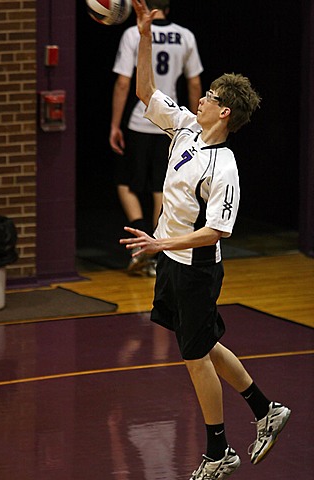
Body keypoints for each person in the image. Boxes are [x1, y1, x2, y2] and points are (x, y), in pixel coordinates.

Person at [120, 1, 291, 478]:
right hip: (171, 259)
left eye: (209, 95)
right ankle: (266, 410)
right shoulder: (187, 128)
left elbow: (218, 230)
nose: (200, 98)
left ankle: (219, 453)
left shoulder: (225, 167)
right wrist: (144, 32)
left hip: (194, 267)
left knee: (195, 357)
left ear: (225, 110)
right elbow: (146, 90)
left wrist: (159, 245)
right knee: (206, 344)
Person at [110, 0, 203, 276]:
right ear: (169, 7)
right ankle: (153, 250)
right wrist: (195, 126)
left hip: (140, 120)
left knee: (125, 183)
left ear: (145, 6)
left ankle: (140, 244)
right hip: (170, 123)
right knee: (161, 189)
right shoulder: (185, 36)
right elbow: (195, 82)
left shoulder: (133, 33)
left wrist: (115, 124)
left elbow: (124, 82)